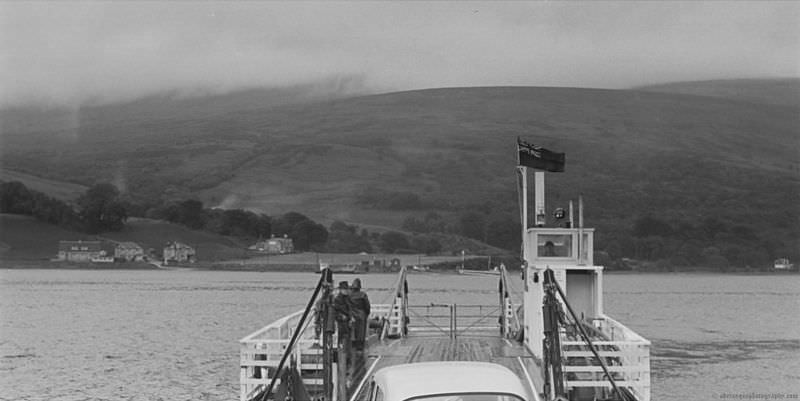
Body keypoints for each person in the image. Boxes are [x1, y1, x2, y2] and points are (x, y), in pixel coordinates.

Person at [348, 278, 371, 351]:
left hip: (352, 315)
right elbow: (367, 306)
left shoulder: (349, 295)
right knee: (361, 334)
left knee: (352, 333)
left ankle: (353, 348)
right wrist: (366, 314)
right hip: (361, 315)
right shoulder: (363, 295)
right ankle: (360, 349)